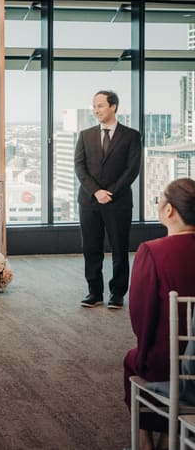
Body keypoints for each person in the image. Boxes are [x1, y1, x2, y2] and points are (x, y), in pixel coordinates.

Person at [123, 178, 195, 450]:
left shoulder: (153, 252)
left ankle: (144, 442)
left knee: (134, 360)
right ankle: (171, 437)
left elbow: (141, 317)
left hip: (169, 361)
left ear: (170, 211)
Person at [74, 90, 141, 309]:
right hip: (89, 201)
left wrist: (109, 192)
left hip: (118, 201)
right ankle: (94, 292)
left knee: (119, 248)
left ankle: (117, 293)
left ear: (113, 106)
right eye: (94, 106)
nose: (96, 110)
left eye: (100, 105)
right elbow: (79, 167)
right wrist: (96, 192)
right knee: (91, 248)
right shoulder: (85, 135)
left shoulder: (131, 135)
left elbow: (132, 170)